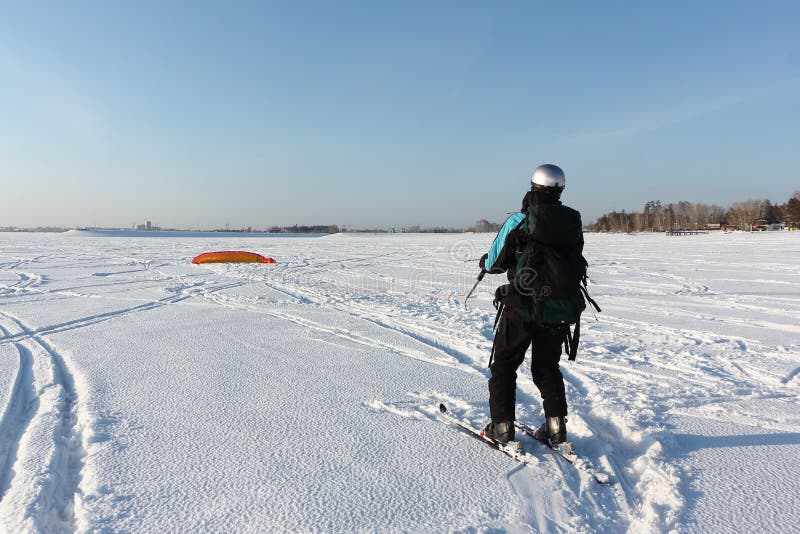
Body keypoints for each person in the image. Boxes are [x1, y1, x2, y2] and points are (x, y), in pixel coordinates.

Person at [478, 164, 587, 448]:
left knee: (503, 366)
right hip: (559, 310)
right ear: (560, 190)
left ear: (532, 187)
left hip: (522, 308)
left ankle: (502, 428)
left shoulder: (519, 219)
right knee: (547, 368)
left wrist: (484, 262)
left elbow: (494, 264)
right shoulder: (572, 223)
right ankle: (556, 427)